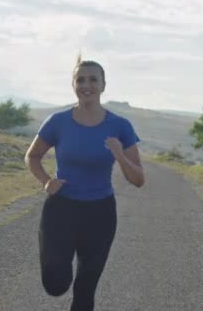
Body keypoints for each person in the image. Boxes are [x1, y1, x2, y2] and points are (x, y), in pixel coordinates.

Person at [24, 56, 145, 311]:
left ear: (103, 85)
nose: (86, 84)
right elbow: (32, 156)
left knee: (85, 288)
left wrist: (120, 155)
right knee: (56, 282)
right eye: (80, 79)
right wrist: (46, 181)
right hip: (61, 209)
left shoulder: (120, 126)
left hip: (100, 212)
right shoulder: (58, 122)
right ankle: (59, 273)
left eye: (93, 79)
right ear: (73, 85)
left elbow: (138, 179)